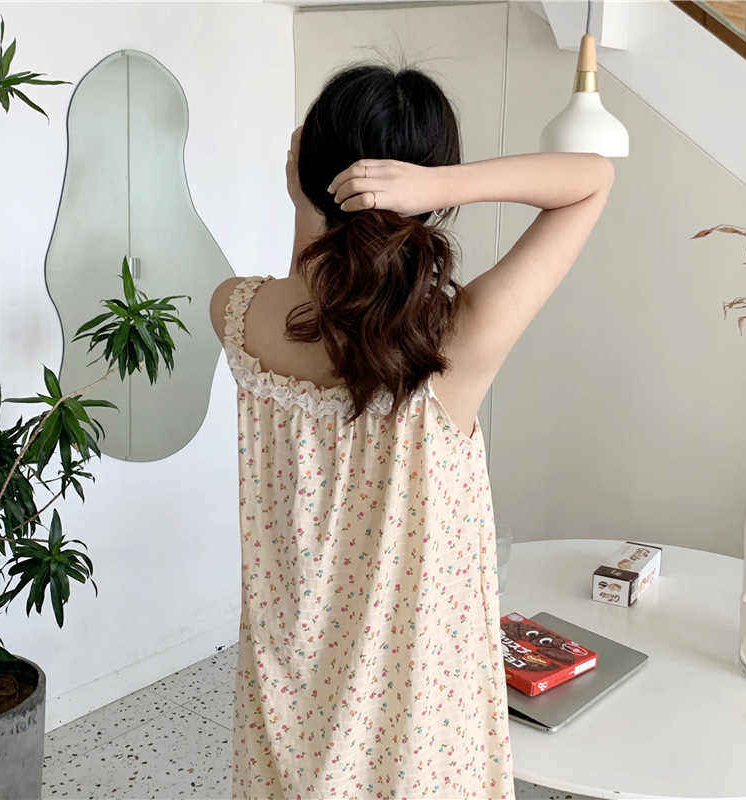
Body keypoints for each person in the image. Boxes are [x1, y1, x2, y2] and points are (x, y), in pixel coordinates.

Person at [209, 63, 613, 800]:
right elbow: (592, 179)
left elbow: (311, 300)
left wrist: (306, 201)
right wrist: (440, 186)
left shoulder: (236, 312)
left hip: (292, 675)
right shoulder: (454, 344)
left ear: (310, 169)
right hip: (415, 695)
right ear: (424, 186)